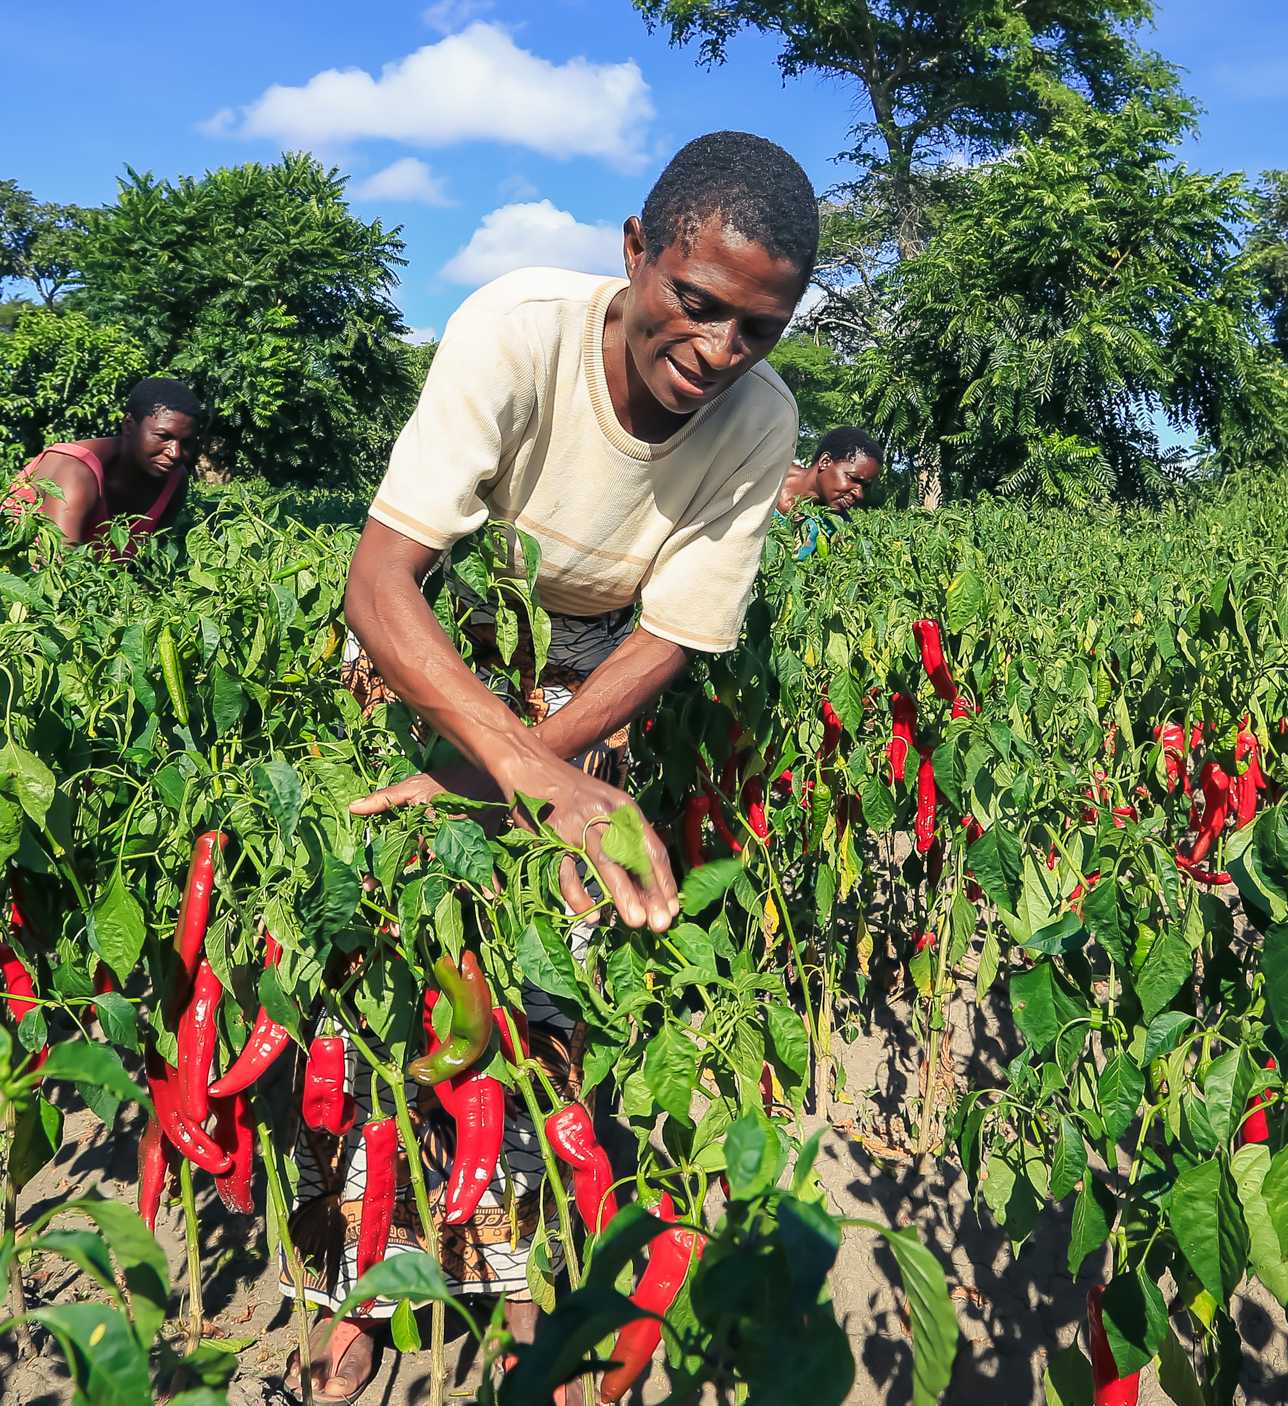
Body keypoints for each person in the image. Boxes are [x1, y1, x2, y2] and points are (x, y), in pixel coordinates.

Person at [290, 131, 815, 1400]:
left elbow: (670, 635)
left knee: (546, 973)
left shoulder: (761, 421)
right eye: (697, 302)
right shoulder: (517, 328)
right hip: (443, 630)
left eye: (758, 328)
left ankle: (506, 1260)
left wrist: (517, 773)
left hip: (590, 662)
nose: (720, 350)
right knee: (391, 962)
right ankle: (364, 1276)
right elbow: (381, 582)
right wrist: (498, 760)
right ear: (635, 251)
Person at [9, 377, 202, 557]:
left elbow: (150, 563)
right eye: (163, 437)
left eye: (186, 442)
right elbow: (60, 566)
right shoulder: (77, 470)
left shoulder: (175, 480)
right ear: (128, 424)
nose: (175, 453)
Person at [776, 427, 883, 556]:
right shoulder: (766, 479)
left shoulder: (836, 525)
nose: (859, 494)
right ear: (825, 461)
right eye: (854, 479)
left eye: (864, 486)